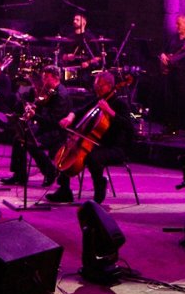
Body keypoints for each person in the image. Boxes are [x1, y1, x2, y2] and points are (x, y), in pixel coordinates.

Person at [48, 71, 134, 206]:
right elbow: (79, 110)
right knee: (64, 150)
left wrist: (109, 111)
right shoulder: (99, 100)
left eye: (100, 86)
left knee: (92, 158)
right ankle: (65, 191)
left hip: (115, 147)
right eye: (96, 86)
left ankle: (99, 191)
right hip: (96, 143)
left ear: (110, 85)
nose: (97, 89)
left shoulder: (119, 104)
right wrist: (70, 117)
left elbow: (128, 126)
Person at [5, 66, 72, 188]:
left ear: (55, 78)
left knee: (31, 142)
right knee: (18, 138)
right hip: (46, 127)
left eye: (46, 78)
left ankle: (50, 172)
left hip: (56, 131)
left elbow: (53, 121)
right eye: (43, 77)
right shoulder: (51, 91)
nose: (43, 81)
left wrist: (35, 115)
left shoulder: (60, 95)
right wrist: (32, 107)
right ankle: (19, 175)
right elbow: (44, 111)